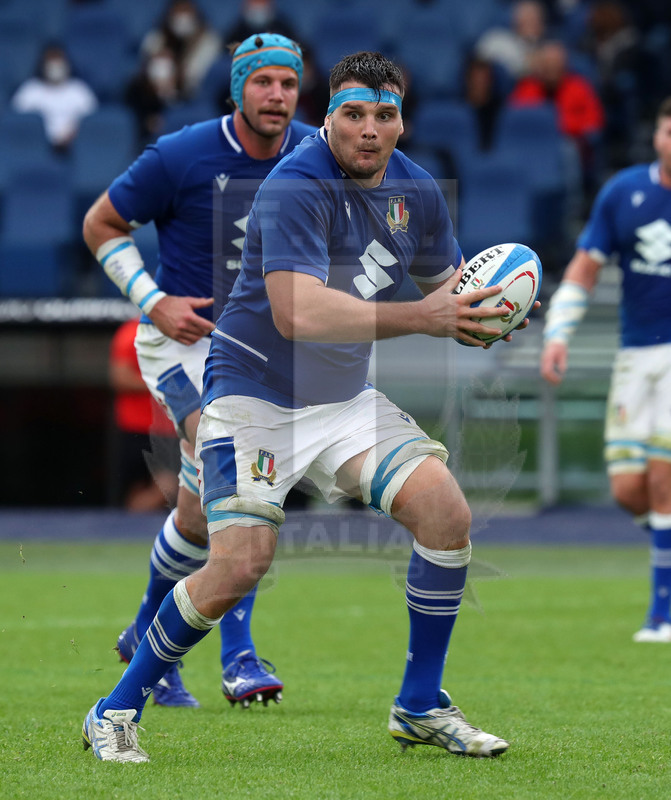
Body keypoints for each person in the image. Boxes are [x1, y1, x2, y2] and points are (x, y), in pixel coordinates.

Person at [82, 49, 538, 763]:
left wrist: (488, 313)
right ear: (327, 118)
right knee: (238, 564)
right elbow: (297, 312)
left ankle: (419, 705)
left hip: (339, 399)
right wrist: (427, 317)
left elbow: (451, 285)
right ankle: (114, 709)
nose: (367, 129)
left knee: (445, 513)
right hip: (250, 394)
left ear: (400, 123)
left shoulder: (417, 191)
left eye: (382, 116)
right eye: (352, 114)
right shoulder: (294, 183)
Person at [82, 33, 315, 712]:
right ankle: (239, 655)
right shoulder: (180, 154)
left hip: (257, 353)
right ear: (236, 87)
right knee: (237, 469)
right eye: (263, 81)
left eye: (287, 82)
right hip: (177, 347)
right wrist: (152, 301)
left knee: (194, 515)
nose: (276, 94)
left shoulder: (314, 154)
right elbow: (101, 224)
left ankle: (144, 636)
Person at [540, 97, 671, 643]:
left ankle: (661, 614)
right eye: (669, 127)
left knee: (664, 480)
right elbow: (585, 266)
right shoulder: (624, 192)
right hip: (635, 355)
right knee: (627, 489)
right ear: (658, 134)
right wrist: (557, 333)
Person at [108, 317, 180, 512]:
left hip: (169, 431)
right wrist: (160, 385)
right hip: (133, 429)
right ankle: (127, 528)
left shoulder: (180, 331)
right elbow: (120, 376)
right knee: (133, 489)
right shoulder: (131, 331)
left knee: (169, 488)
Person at [11, 42, 98, 153]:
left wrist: (72, 136)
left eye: (58, 60)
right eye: (51, 61)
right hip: (34, 150)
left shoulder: (79, 90)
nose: (55, 66)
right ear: (43, 64)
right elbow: (17, 124)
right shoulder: (29, 90)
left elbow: (93, 124)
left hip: (74, 150)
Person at [140, 0, 222, 99]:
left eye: (186, 11)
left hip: (193, 98)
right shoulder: (156, 38)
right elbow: (145, 70)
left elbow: (200, 80)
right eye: (179, 11)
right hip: (153, 97)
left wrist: (179, 74)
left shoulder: (209, 41)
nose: (182, 17)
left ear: (195, 13)